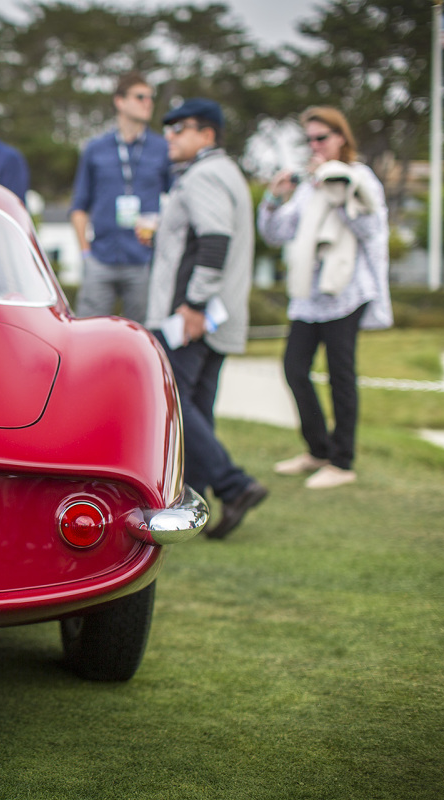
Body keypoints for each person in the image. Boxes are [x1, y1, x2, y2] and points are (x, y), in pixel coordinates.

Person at [146, 98, 266, 540]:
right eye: (169, 129)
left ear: (208, 134)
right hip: (216, 313)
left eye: (180, 129)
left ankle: (233, 485)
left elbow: (214, 242)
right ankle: (192, 502)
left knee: (174, 406)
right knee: (195, 409)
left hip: (193, 315)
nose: (170, 136)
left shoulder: (204, 175)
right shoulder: (226, 172)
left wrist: (194, 304)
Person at [258, 107, 392, 489]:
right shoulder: (306, 184)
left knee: (340, 375)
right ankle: (318, 449)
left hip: (346, 291)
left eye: (322, 137)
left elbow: (370, 227)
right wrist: (273, 198)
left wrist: (333, 188)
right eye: (310, 139)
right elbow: (276, 233)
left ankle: (342, 460)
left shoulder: (358, 176)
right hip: (308, 294)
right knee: (294, 369)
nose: (315, 145)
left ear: (341, 138)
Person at [70, 72, 173, 323]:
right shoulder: (96, 148)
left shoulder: (163, 149)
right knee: (89, 331)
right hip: (101, 258)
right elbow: (79, 207)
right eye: (140, 97)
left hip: (144, 259)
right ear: (120, 101)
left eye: (150, 98)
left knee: (145, 334)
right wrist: (86, 254)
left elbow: (174, 201)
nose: (147, 103)